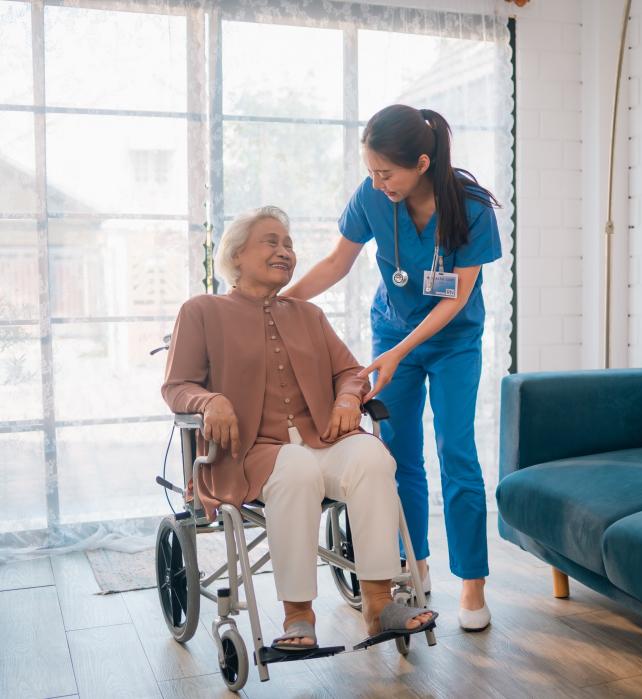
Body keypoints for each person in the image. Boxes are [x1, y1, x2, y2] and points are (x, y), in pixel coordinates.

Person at [161, 205, 436, 651]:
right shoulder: (202, 311)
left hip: (322, 442)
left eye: (288, 244)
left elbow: (350, 371)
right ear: (235, 255)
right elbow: (177, 386)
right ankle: (298, 616)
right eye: (271, 242)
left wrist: (349, 397)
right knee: (296, 470)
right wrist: (209, 400)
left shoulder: (309, 316)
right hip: (251, 454)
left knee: (372, 456)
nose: (285, 251)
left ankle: (379, 603)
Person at [285, 105, 502, 631]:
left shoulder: (470, 208)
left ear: (422, 163)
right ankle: (415, 566)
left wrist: (401, 350)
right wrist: (281, 301)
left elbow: (457, 299)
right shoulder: (372, 197)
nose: (377, 182)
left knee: (456, 451)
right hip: (392, 331)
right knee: (399, 455)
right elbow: (338, 262)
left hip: (452, 342)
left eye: (387, 173)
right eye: (371, 171)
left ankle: (472, 584)